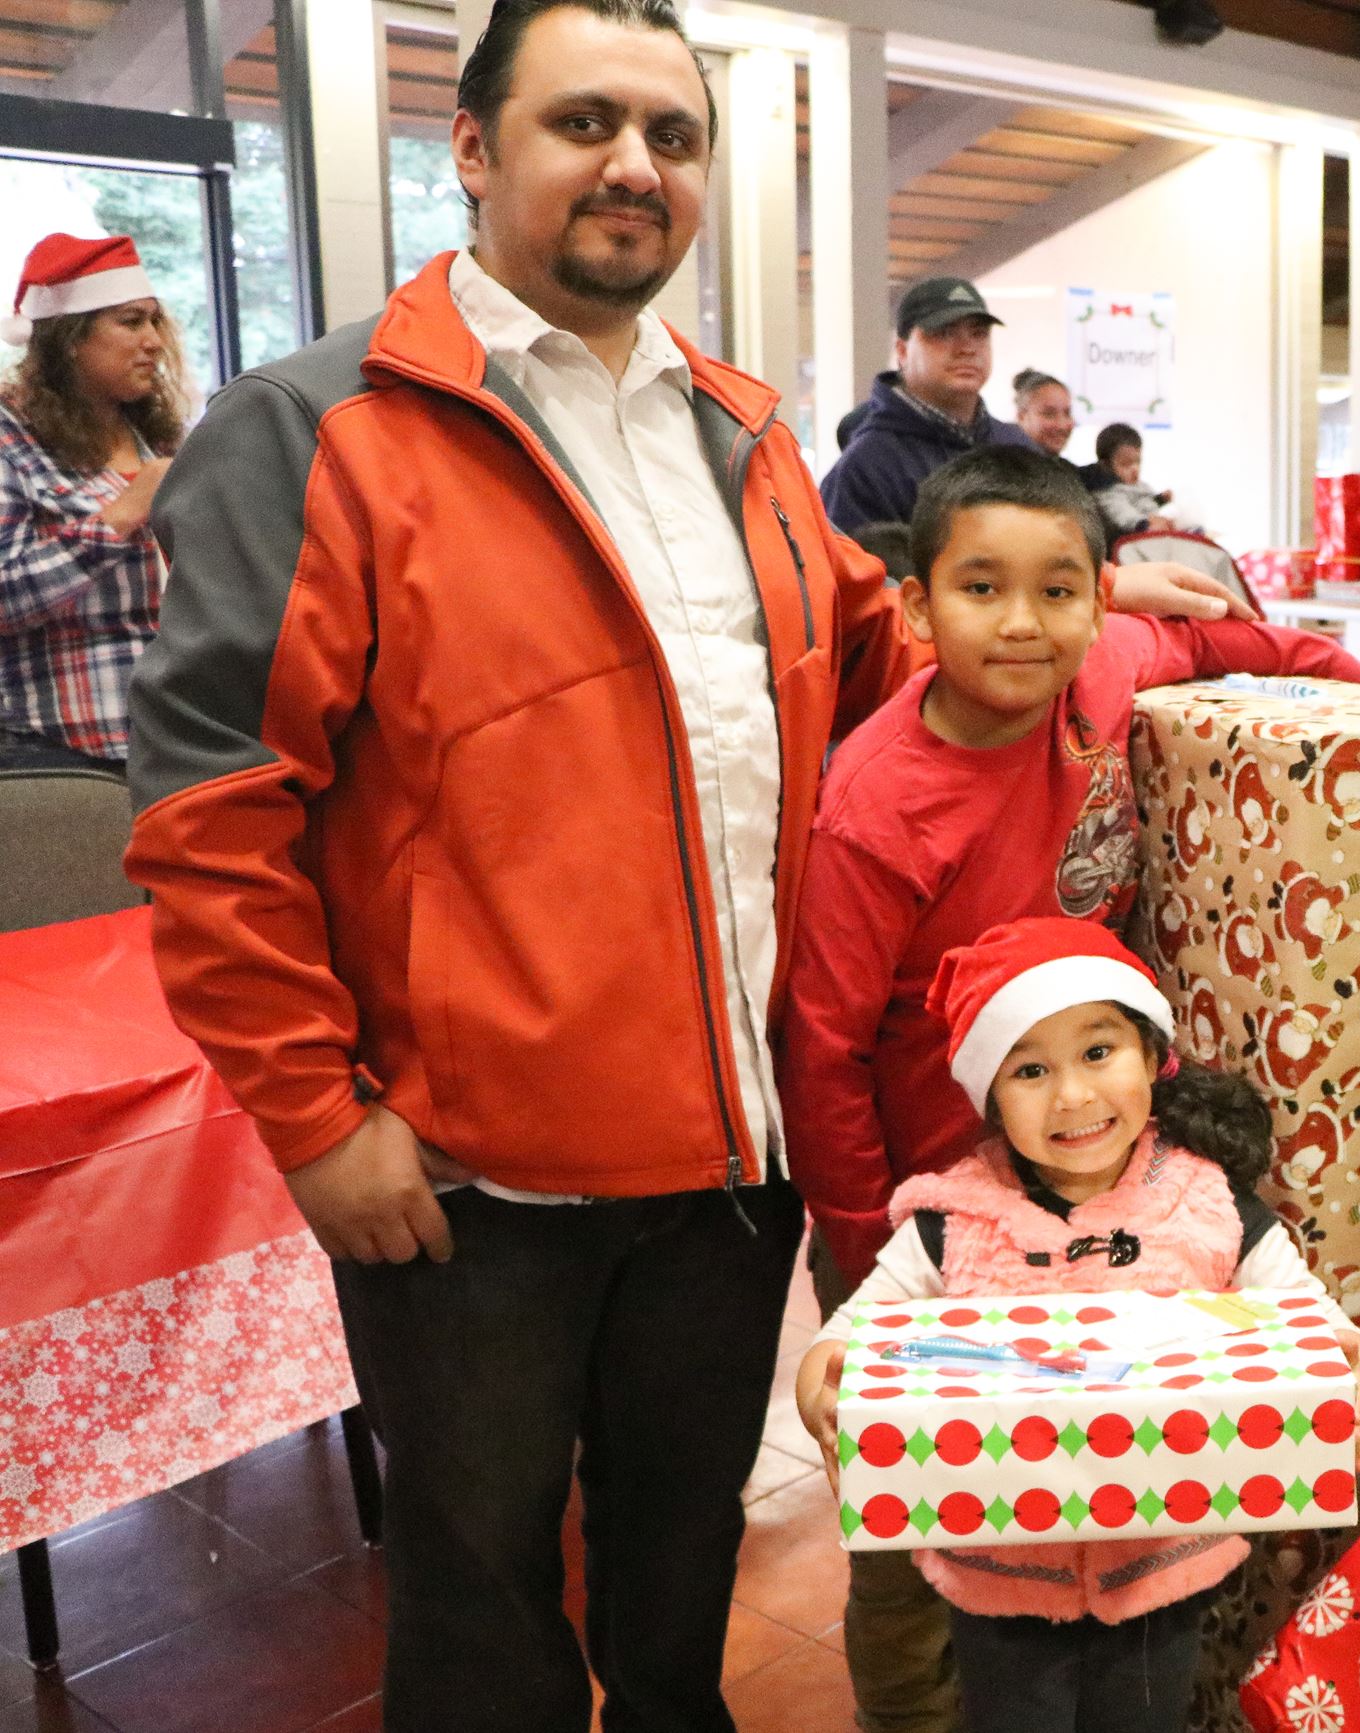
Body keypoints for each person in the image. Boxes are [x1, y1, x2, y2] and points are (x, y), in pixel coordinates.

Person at [120, 6, 1249, 1729]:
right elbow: (214, 810)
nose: (635, 165)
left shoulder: (740, 431)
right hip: (476, 1177)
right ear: (474, 149)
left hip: (731, 1161)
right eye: (584, 122)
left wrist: (1086, 624)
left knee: (677, 1583)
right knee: (485, 1610)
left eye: (673, 134)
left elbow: (883, 654)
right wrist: (314, 1112)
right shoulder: (316, 428)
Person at [778, 445, 1360, 1730]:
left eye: (1056, 590)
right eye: (980, 587)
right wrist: (869, 1248)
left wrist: (1337, 688)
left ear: (1097, 600)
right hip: (931, 1207)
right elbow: (821, 1049)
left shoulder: (1103, 670)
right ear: (916, 605)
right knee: (916, 1535)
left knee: (1096, 1464)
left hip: (1092, 1175)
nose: (1021, 623)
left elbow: (1203, 645)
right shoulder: (875, 808)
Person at [794, 916, 1360, 1733]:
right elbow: (859, 1327)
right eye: (1030, 1068)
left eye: (1099, 1051)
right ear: (991, 1094)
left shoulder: (1206, 1202)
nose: (1071, 1095)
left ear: (1152, 1055)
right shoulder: (956, 1217)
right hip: (1000, 1575)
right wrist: (821, 1375)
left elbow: (1306, 1314)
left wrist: (1350, 1359)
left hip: (1159, 1567)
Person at [0, 233, 190, 772]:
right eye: (131, 322)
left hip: (174, 738)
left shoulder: (158, 437)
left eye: (155, 321)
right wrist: (119, 517)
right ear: (69, 339)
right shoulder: (11, 438)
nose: (153, 341)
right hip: (62, 754)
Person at [821, 274, 1033, 533]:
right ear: (902, 351)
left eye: (979, 334)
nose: (967, 348)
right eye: (944, 333)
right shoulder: (866, 468)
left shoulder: (1019, 448)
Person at [1083, 422, 1177, 535]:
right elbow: (1122, 513)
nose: (1134, 469)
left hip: (1154, 530)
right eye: (1126, 464)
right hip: (1132, 538)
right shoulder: (1107, 492)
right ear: (1106, 466)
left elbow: (1142, 504)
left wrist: (1159, 500)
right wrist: (1143, 525)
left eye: (1138, 462)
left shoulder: (1138, 485)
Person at [1011, 365, 1079, 465]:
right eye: (1049, 414)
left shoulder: (1067, 470)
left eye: (1067, 413)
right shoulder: (1002, 469)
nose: (1062, 425)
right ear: (1021, 417)